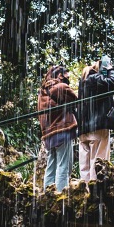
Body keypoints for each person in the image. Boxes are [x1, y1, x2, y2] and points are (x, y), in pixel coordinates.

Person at [76, 55, 114, 184]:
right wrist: (111, 68)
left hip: (84, 130)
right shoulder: (96, 78)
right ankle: (96, 195)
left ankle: (84, 194)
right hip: (98, 127)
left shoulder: (83, 81)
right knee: (98, 163)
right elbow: (113, 83)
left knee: (85, 167)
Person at [36, 64, 78, 192]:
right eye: (66, 76)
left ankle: (48, 197)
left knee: (51, 166)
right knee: (63, 166)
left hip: (48, 135)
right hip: (62, 130)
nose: (68, 79)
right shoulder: (60, 87)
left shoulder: (41, 93)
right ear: (60, 75)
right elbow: (76, 99)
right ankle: (61, 198)